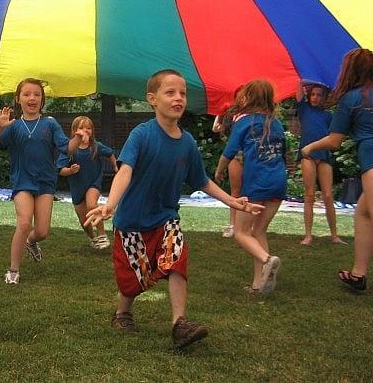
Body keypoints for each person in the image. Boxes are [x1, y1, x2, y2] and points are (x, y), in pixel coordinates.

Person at [85, 70, 262, 349]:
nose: (178, 98)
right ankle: (123, 312)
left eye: (182, 93)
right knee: (134, 281)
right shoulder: (141, 135)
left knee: (177, 259)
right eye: (170, 92)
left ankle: (179, 324)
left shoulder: (188, 142)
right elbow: (125, 171)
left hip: (166, 217)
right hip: (132, 222)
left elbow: (201, 180)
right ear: (152, 99)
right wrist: (110, 204)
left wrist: (232, 201)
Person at [0, 78, 84, 285]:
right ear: (18, 99)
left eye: (37, 95)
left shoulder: (50, 124)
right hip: (22, 181)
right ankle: (13, 270)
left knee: (42, 231)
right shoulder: (13, 126)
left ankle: (31, 242)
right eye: (27, 94)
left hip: (45, 183)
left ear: (42, 100)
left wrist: (77, 138)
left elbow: (68, 148)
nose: (32, 98)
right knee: (23, 223)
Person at [302, 48, 373, 292]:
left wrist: (310, 146)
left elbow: (334, 141)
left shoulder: (352, 98)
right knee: (363, 214)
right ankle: (358, 275)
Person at [215, 79, 286, 295]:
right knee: (258, 231)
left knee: (241, 232)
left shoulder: (244, 122)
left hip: (257, 184)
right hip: (278, 183)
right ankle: (259, 284)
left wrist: (219, 171)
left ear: (250, 97)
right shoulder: (276, 123)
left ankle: (267, 260)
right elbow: (284, 151)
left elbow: (229, 151)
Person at [57, 116, 118, 249]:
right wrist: (71, 170)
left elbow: (110, 154)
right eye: (81, 127)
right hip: (77, 186)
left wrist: (115, 166)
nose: (85, 130)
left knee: (91, 205)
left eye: (88, 128)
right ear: (74, 131)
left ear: (92, 131)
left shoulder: (96, 146)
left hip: (93, 183)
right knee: (84, 220)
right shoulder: (69, 149)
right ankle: (93, 238)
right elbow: (61, 170)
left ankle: (102, 235)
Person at [295, 80, 344, 245]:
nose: (315, 98)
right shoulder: (304, 109)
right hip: (307, 156)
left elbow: (333, 137)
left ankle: (334, 235)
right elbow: (299, 85)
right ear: (309, 96)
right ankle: (308, 235)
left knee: (328, 195)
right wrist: (312, 80)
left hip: (323, 155)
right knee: (309, 195)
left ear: (324, 98)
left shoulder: (328, 115)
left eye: (319, 95)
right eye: (313, 94)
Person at [212, 86, 245, 238]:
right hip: (235, 154)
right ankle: (233, 224)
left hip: (251, 154)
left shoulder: (255, 114)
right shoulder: (230, 113)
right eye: (239, 96)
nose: (242, 98)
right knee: (236, 191)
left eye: (245, 95)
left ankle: (247, 225)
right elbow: (216, 128)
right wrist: (219, 113)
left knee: (251, 191)